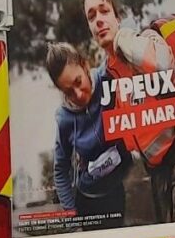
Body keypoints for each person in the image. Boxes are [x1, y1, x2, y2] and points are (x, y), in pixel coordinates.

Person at [81, 0, 175, 223]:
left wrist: (122, 36)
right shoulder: (112, 73)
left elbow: (161, 64)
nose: (98, 20)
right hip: (159, 171)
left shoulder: (145, 39)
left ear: (118, 17)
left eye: (104, 11)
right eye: (91, 16)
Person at [44, 42, 129, 226]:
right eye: (68, 92)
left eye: (78, 82)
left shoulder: (107, 78)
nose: (79, 95)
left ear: (85, 65)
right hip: (88, 200)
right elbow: (60, 170)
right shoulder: (64, 119)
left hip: (117, 191)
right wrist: (71, 216)